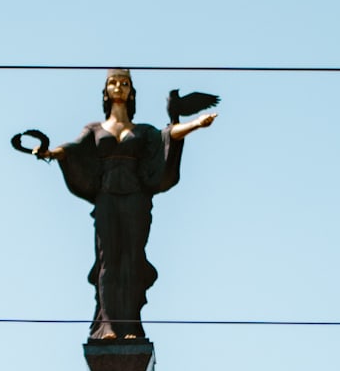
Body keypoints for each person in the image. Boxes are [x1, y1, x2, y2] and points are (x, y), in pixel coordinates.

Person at [37, 70, 216, 341]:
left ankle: (131, 325)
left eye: (124, 83)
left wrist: (196, 124)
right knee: (108, 260)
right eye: (113, 83)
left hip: (136, 200)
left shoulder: (142, 131)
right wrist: (49, 153)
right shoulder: (94, 129)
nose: (118, 87)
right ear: (106, 91)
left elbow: (168, 135)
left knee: (132, 259)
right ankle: (108, 324)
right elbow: (72, 149)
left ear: (131, 92)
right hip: (107, 198)